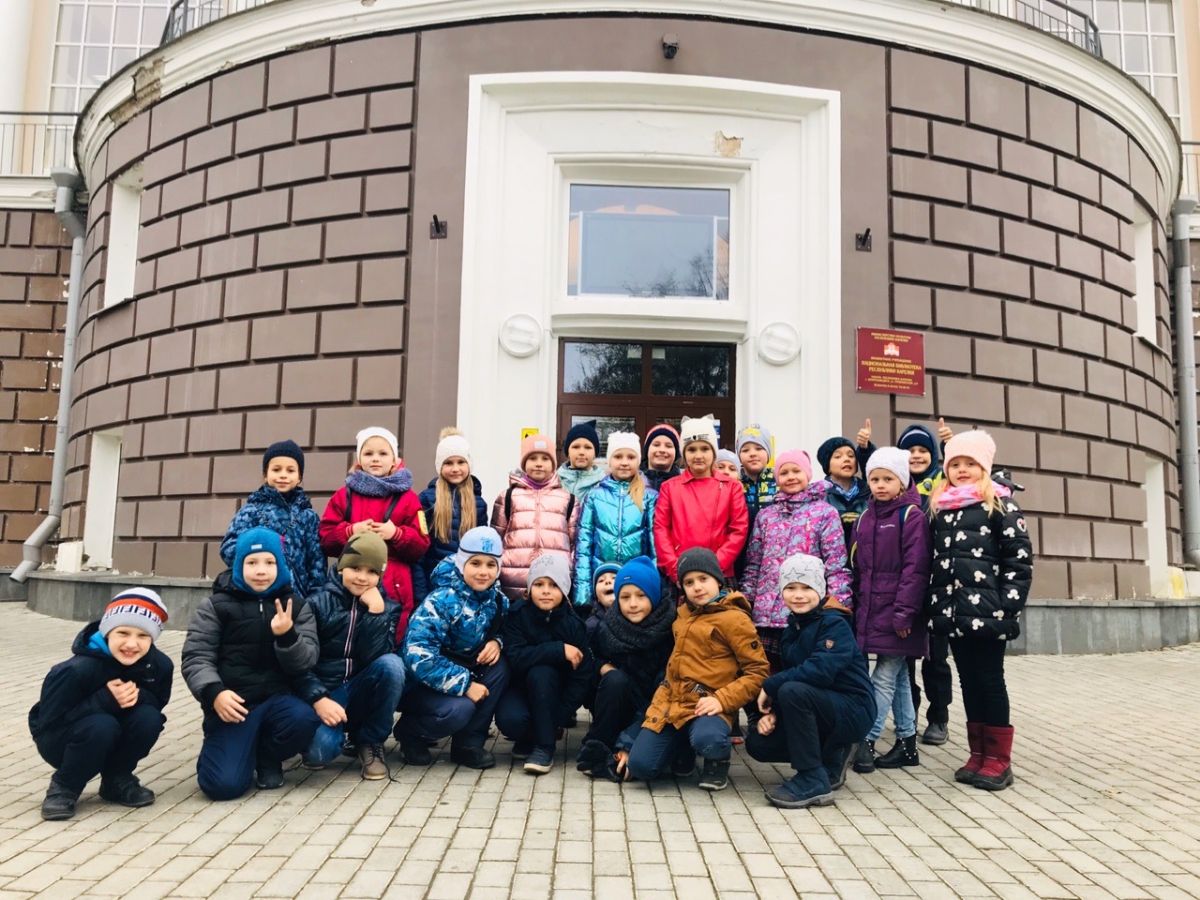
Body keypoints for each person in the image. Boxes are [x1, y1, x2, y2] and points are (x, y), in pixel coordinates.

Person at [182, 528, 321, 800]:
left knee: (305, 719)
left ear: (280, 566)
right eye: (252, 562)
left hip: (277, 701)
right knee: (223, 786)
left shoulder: (295, 606)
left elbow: (306, 660)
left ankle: (267, 758)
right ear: (239, 565)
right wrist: (214, 693)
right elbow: (196, 656)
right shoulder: (215, 606)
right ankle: (224, 749)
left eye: (269, 562)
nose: (261, 571)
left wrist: (287, 635)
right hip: (234, 704)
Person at [929, 430, 1033, 791]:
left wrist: (1007, 606)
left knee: (990, 680)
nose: (962, 469)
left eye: (970, 463)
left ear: (984, 467)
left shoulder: (1000, 505)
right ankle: (978, 754)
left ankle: (999, 760)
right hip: (954, 613)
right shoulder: (942, 508)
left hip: (989, 613)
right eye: (955, 464)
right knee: (968, 681)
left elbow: (1018, 561)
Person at [625, 548, 769, 791]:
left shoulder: (735, 619)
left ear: (718, 580)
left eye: (703, 579)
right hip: (674, 704)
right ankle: (682, 749)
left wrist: (722, 700)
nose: (697, 587)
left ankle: (717, 760)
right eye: (689, 582)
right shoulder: (682, 616)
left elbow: (757, 671)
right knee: (640, 766)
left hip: (709, 704)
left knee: (708, 740)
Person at [30, 588, 173, 820]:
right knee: (101, 725)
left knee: (149, 718)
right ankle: (64, 787)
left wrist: (138, 697)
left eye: (143, 636)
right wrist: (105, 700)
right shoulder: (75, 670)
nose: (132, 644)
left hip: (112, 734)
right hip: (61, 740)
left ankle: (116, 780)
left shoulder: (160, 666)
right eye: (123, 633)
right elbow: (50, 723)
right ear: (107, 631)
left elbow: (157, 703)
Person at [746, 555, 876, 809]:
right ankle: (831, 760)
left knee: (792, 691)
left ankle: (812, 779)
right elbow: (797, 676)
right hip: (820, 705)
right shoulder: (792, 629)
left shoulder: (834, 624)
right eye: (791, 587)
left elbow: (819, 672)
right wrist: (775, 714)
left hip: (854, 709)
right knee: (759, 743)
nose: (798, 595)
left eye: (807, 587)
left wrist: (770, 686)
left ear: (820, 588)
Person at [396, 527, 510, 769]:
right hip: (422, 684)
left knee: (499, 667)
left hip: (463, 667)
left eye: (491, 565)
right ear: (461, 563)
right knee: (459, 710)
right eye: (475, 563)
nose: (483, 572)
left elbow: (505, 629)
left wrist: (496, 642)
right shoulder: (441, 601)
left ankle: (468, 744)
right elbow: (418, 655)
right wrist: (465, 685)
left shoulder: (497, 600)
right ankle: (411, 733)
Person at [296, 533, 405, 780]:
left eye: (371, 571)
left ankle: (370, 741)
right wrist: (318, 698)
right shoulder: (316, 603)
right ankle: (336, 735)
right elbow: (301, 663)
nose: (362, 577)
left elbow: (375, 657)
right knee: (318, 753)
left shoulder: (388, 608)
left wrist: (376, 613)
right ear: (342, 566)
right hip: (326, 694)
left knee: (393, 665)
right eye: (355, 568)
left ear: (380, 575)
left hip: (360, 689)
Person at [849, 448, 932, 775]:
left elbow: (916, 569)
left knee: (882, 677)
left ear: (902, 481)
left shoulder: (911, 516)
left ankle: (865, 740)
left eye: (888, 478)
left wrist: (904, 614)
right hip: (872, 610)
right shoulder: (865, 518)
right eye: (875, 479)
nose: (881, 485)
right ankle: (907, 743)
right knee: (897, 678)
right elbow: (859, 570)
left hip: (901, 613)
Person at [742, 449, 852, 670]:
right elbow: (754, 563)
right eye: (784, 473)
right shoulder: (766, 515)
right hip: (766, 615)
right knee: (767, 674)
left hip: (806, 611)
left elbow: (835, 564)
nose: (790, 477)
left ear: (808, 474)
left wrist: (838, 604)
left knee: (800, 673)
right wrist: (747, 600)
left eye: (796, 471)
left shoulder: (825, 513)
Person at [320, 426, 430, 644]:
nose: (376, 459)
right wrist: (351, 531)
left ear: (395, 460)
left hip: (395, 586)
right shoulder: (344, 495)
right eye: (369, 453)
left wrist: (396, 533)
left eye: (383, 453)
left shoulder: (409, 498)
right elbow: (325, 538)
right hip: (350, 585)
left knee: (388, 645)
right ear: (359, 459)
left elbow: (422, 544)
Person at [577, 555, 675, 781]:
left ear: (654, 596)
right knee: (614, 679)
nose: (632, 604)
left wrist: (629, 742)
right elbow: (590, 661)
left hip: (659, 711)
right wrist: (601, 666)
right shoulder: (608, 626)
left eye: (641, 596)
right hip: (621, 704)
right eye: (625, 596)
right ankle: (600, 744)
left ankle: (634, 747)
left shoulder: (670, 631)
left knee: (644, 763)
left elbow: (665, 696)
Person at [495, 555, 592, 774]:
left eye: (554, 585)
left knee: (543, 673)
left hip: (556, 694)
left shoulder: (574, 624)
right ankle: (528, 736)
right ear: (529, 588)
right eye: (539, 584)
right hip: (522, 690)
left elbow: (583, 675)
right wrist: (558, 649)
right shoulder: (517, 615)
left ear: (564, 589)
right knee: (510, 719)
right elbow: (515, 656)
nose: (546, 591)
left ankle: (544, 747)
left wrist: (561, 713)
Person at [898, 419, 955, 747]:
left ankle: (939, 717)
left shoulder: (942, 486)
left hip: (936, 585)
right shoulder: (895, 485)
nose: (916, 455)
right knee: (904, 658)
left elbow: (959, 474)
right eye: (909, 450)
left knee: (935, 658)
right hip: (906, 584)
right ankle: (910, 715)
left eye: (923, 450)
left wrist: (949, 447)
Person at [219, 439, 326, 598]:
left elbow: (317, 562)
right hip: (257, 597)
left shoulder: (308, 517)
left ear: (299, 477)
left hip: (297, 599)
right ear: (265, 474)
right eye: (276, 469)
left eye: (290, 470)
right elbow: (229, 548)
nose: (283, 475)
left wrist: (314, 600)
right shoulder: (251, 511)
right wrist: (256, 562)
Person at [652, 415, 749, 584]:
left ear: (714, 452)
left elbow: (738, 530)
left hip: (720, 574)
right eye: (691, 449)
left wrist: (714, 568)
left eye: (704, 449)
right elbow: (661, 530)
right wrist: (676, 570)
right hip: (680, 576)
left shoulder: (731, 487)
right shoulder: (669, 488)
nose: (698, 455)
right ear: (684, 453)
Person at [574, 431, 657, 607]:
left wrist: (655, 586)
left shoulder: (649, 496)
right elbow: (583, 546)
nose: (624, 462)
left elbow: (654, 546)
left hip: (636, 584)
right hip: (602, 583)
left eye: (631, 457)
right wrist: (583, 593)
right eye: (618, 456)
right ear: (609, 461)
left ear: (638, 460)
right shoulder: (594, 496)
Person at [491, 433, 577, 601]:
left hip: (553, 584)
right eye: (532, 458)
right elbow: (496, 539)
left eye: (545, 459)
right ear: (524, 463)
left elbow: (575, 544)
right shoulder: (508, 497)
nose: (539, 463)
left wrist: (569, 570)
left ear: (553, 464)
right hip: (514, 582)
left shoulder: (568, 499)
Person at [414, 427, 488, 601]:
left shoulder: (478, 503)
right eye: (448, 463)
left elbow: (483, 552)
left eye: (461, 462)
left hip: (467, 587)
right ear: (440, 466)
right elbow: (419, 552)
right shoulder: (426, 499)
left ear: (469, 464)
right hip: (434, 586)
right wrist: (421, 595)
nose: (455, 469)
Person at [817, 419, 876, 549]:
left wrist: (864, 448)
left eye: (851, 455)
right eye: (838, 456)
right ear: (827, 465)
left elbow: (874, 469)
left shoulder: (869, 491)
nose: (846, 459)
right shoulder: (819, 494)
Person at [557, 419, 607, 505]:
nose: (581, 452)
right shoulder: (555, 482)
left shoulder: (603, 485)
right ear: (568, 452)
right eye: (576, 447)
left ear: (595, 454)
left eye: (588, 447)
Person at [640, 423, 682, 492]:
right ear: (647, 450)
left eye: (668, 446)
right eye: (656, 445)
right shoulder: (631, 479)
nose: (662, 450)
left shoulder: (685, 483)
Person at [584, 562, 620, 638]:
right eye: (601, 580)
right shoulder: (591, 626)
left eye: (614, 578)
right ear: (597, 598)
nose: (608, 581)